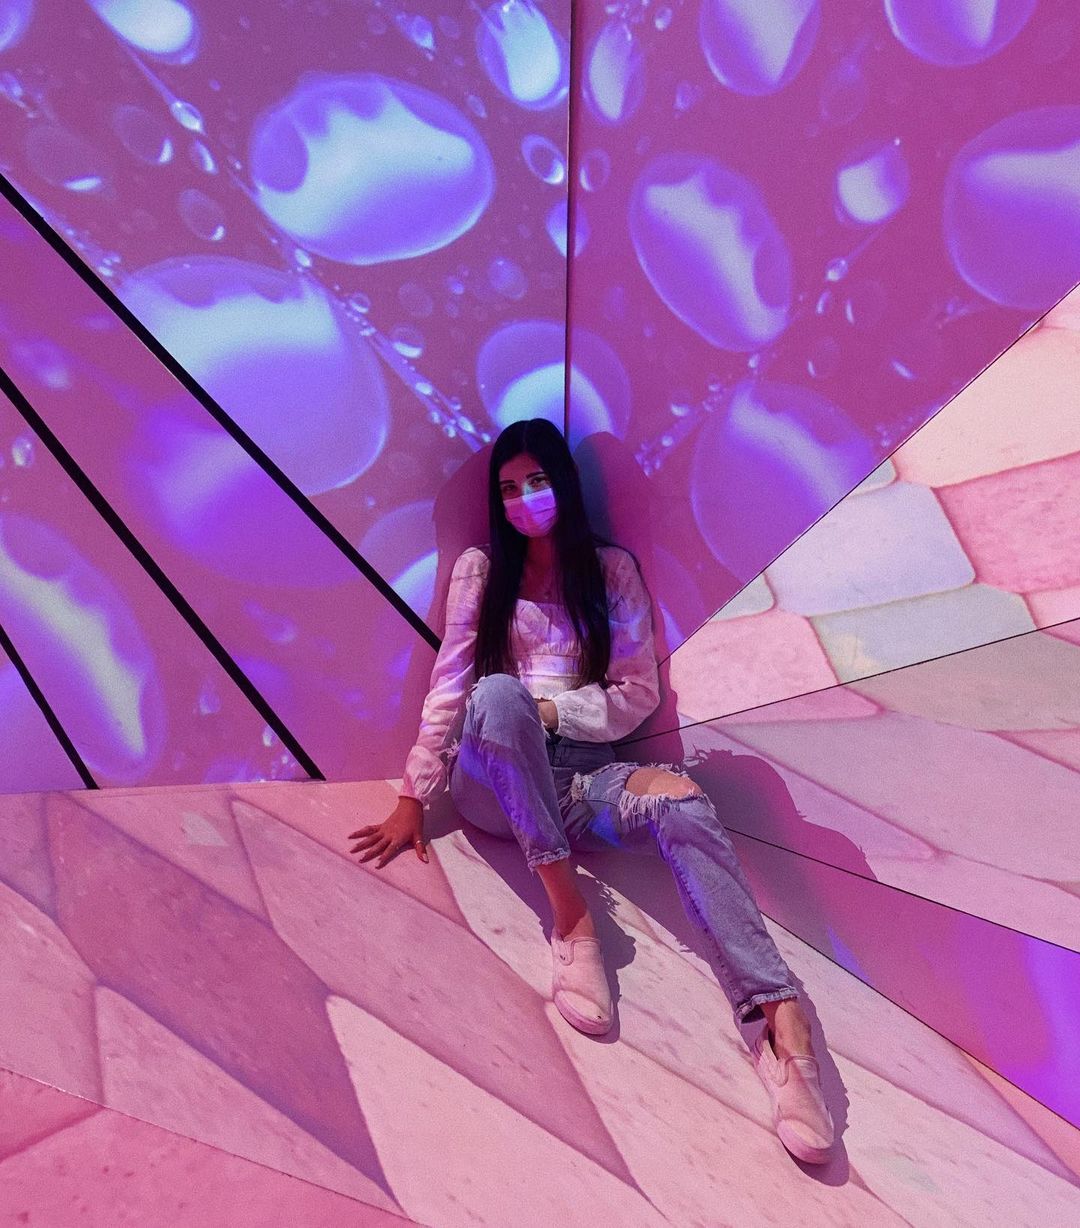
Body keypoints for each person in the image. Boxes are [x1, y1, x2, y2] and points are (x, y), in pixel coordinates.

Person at [348, 418, 834, 1164]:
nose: (523, 500)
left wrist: (556, 713)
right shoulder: (482, 571)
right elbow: (453, 683)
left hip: (581, 778)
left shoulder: (609, 571)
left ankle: (779, 1021)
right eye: (508, 489)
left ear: (564, 487)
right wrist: (415, 793)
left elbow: (637, 691)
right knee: (499, 694)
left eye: (537, 482)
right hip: (494, 782)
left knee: (682, 801)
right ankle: (572, 919)